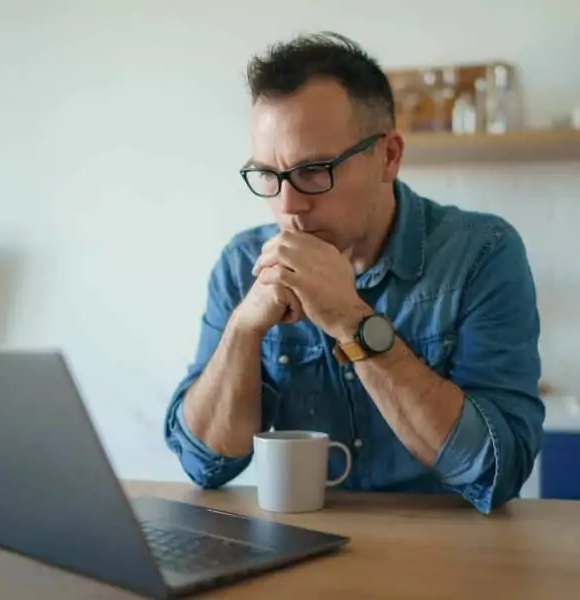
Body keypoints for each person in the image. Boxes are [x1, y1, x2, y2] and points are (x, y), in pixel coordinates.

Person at [163, 31, 544, 514]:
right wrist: (242, 330)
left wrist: (351, 321)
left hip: (445, 561)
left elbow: (497, 470)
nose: (288, 206)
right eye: (268, 175)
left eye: (314, 170)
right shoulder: (244, 262)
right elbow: (204, 465)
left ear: (388, 157)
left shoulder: (482, 253)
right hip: (296, 551)